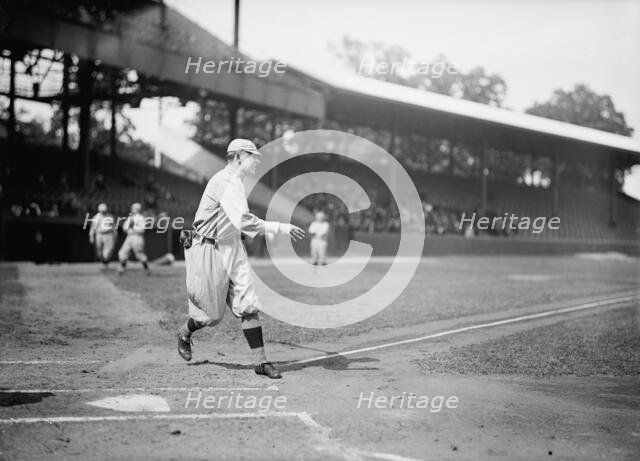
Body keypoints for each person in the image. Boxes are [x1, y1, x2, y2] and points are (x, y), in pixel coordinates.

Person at [176, 139, 305, 379]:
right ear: (238, 156)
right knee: (210, 316)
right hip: (209, 248)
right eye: (252, 156)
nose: (256, 161)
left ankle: (261, 362)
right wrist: (281, 227)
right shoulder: (225, 180)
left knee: (248, 306)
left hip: (232, 247)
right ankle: (184, 332)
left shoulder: (236, 182)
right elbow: (243, 220)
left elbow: (235, 222)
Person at [117, 202, 150, 275]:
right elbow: (124, 228)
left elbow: (142, 230)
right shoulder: (130, 218)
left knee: (139, 255)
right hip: (129, 237)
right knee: (122, 252)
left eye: (133, 209)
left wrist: (133, 227)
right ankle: (122, 269)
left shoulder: (141, 218)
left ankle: (146, 269)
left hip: (137, 237)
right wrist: (129, 226)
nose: (132, 210)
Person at [89, 203, 117, 270]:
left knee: (108, 251)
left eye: (104, 210)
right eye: (102, 211)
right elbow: (92, 228)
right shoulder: (96, 217)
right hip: (99, 234)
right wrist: (91, 236)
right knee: (99, 252)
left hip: (109, 234)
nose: (103, 212)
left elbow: (114, 227)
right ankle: (104, 262)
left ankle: (105, 264)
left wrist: (115, 235)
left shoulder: (110, 216)